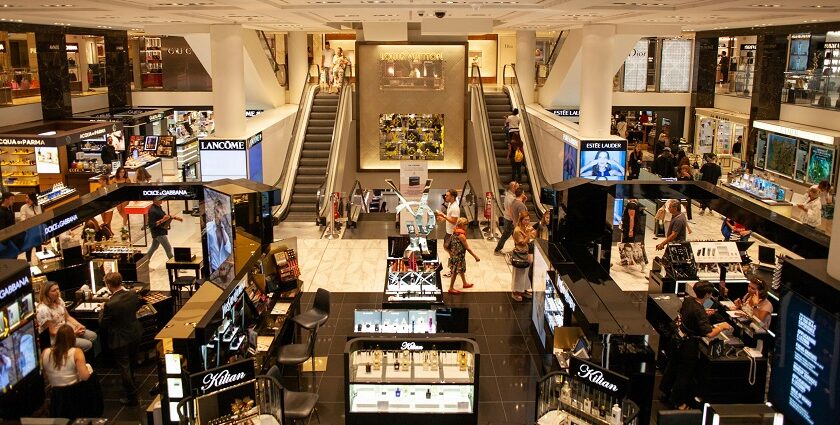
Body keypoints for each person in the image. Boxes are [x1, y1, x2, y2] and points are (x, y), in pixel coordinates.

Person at [661, 281, 732, 410]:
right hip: (687, 345)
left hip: (677, 339)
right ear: (707, 294)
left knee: (672, 366)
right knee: (684, 373)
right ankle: (677, 401)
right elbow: (709, 333)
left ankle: (665, 391)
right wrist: (722, 326)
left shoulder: (689, 301)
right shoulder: (699, 310)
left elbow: (690, 314)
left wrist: (704, 312)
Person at [99, 272, 143, 405]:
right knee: (132, 361)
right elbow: (137, 307)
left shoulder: (110, 304)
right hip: (134, 332)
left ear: (109, 285)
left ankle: (131, 396)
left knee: (124, 366)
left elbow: (103, 324)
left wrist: (102, 309)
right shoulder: (133, 294)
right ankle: (132, 381)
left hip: (120, 338)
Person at [42, 325, 93, 419]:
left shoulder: (45, 352)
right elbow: (85, 376)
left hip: (56, 396)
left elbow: (45, 376)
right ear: (73, 337)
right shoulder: (76, 352)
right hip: (74, 393)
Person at [36, 282, 97, 352]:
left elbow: (67, 317)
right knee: (88, 344)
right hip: (56, 337)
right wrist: (73, 333)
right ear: (46, 293)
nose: (57, 292)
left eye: (57, 289)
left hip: (66, 328)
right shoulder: (43, 309)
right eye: (54, 290)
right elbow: (52, 332)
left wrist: (79, 325)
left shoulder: (59, 300)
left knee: (92, 336)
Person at [446, 218, 479, 294]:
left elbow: (448, 245)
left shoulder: (454, 232)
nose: (467, 226)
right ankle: (451, 288)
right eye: (466, 224)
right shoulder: (461, 236)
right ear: (462, 225)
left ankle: (464, 283)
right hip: (458, 257)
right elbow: (468, 248)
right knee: (455, 272)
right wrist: (475, 256)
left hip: (455, 255)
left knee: (460, 270)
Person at [434, 189, 461, 277]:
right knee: (447, 248)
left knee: (451, 251)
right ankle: (454, 268)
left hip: (452, 234)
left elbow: (453, 221)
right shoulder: (450, 204)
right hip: (448, 232)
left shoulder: (455, 208)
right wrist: (442, 218)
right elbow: (449, 218)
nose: (445, 196)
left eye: (447, 195)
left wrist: (444, 216)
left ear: (452, 197)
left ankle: (453, 270)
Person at [511, 211, 536, 301]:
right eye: (525, 220)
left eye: (528, 220)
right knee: (519, 275)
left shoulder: (525, 228)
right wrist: (528, 235)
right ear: (521, 220)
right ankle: (515, 292)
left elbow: (534, 235)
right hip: (519, 254)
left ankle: (523, 289)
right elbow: (522, 243)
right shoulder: (517, 230)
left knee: (525, 274)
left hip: (526, 253)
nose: (527, 222)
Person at [206, 198, 233, 272]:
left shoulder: (226, 227)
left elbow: (229, 249)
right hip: (215, 267)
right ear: (214, 211)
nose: (220, 215)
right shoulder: (209, 228)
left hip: (226, 266)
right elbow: (207, 250)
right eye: (217, 211)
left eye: (222, 212)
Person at [494, 181, 520, 256]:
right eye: (517, 188)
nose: (519, 189)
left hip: (509, 219)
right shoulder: (510, 198)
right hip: (510, 220)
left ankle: (518, 249)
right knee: (505, 236)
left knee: (515, 236)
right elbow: (511, 211)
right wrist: (514, 221)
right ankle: (497, 249)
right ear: (513, 188)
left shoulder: (509, 195)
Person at [18, 193, 41, 262]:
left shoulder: (38, 206)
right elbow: (23, 219)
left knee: (39, 247)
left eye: (28, 198)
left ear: (33, 199)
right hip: (29, 231)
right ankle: (29, 263)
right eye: (26, 198)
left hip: (37, 230)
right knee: (29, 248)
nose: (26, 200)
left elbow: (40, 216)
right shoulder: (23, 207)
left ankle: (40, 261)